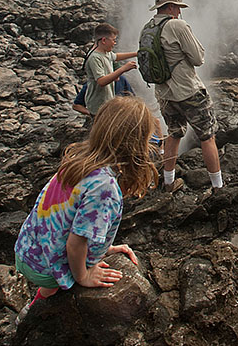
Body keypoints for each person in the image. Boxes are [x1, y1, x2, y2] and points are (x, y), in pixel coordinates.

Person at [13, 96, 158, 323]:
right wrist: (83, 275)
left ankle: (30, 313)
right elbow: (76, 241)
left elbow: (68, 217)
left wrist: (104, 248)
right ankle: (38, 312)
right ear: (136, 144)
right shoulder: (105, 187)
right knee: (63, 288)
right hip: (46, 267)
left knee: (50, 292)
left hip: (30, 249)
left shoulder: (80, 160)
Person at [145, 0, 221, 192]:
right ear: (170, 7)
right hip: (188, 91)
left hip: (163, 94)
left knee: (174, 133)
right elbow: (198, 58)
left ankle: (169, 181)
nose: (179, 12)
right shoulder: (177, 25)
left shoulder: (148, 28)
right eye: (178, 8)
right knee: (207, 136)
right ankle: (218, 186)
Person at [84, 23, 138, 116]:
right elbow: (101, 81)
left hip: (107, 101)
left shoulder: (105, 52)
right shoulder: (95, 58)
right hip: (98, 106)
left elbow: (116, 56)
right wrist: (123, 69)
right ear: (104, 40)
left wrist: (136, 53)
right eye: (114, 40)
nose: (115, 43)